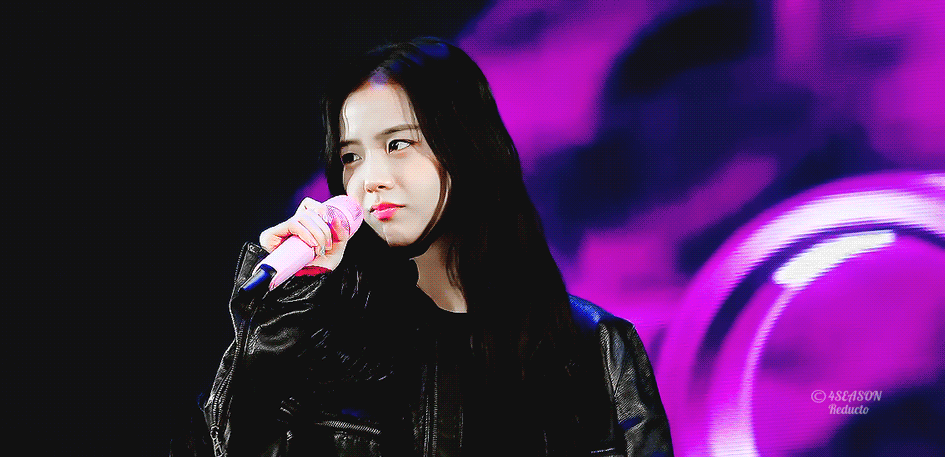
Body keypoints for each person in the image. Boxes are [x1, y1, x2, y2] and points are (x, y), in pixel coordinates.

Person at [178, 37, 673, 457]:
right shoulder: (320, 339)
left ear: (468, 146)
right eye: (351, 156)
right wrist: (281, 316)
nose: (369, 180)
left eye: (398, 144)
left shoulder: (593, 348)